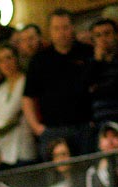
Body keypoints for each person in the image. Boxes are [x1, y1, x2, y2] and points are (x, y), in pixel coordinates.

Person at [22, 8, 94, 159]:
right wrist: (37, 128)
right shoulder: (40, 60)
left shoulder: (87, 52)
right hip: (52, 130)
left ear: (72, 28)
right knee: (55, 177)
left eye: (65, 27)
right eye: (56, 28)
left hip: (84, 127)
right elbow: (28, 97)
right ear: (50, 31)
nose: (61, 33)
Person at [87, 17, 118, 129]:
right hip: (100, 123)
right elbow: (84, 92)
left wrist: (97, 89)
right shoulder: (90, 64)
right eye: (98, 35)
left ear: (116, 35)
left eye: (107, 33)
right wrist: (97, 62)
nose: (103, 39)